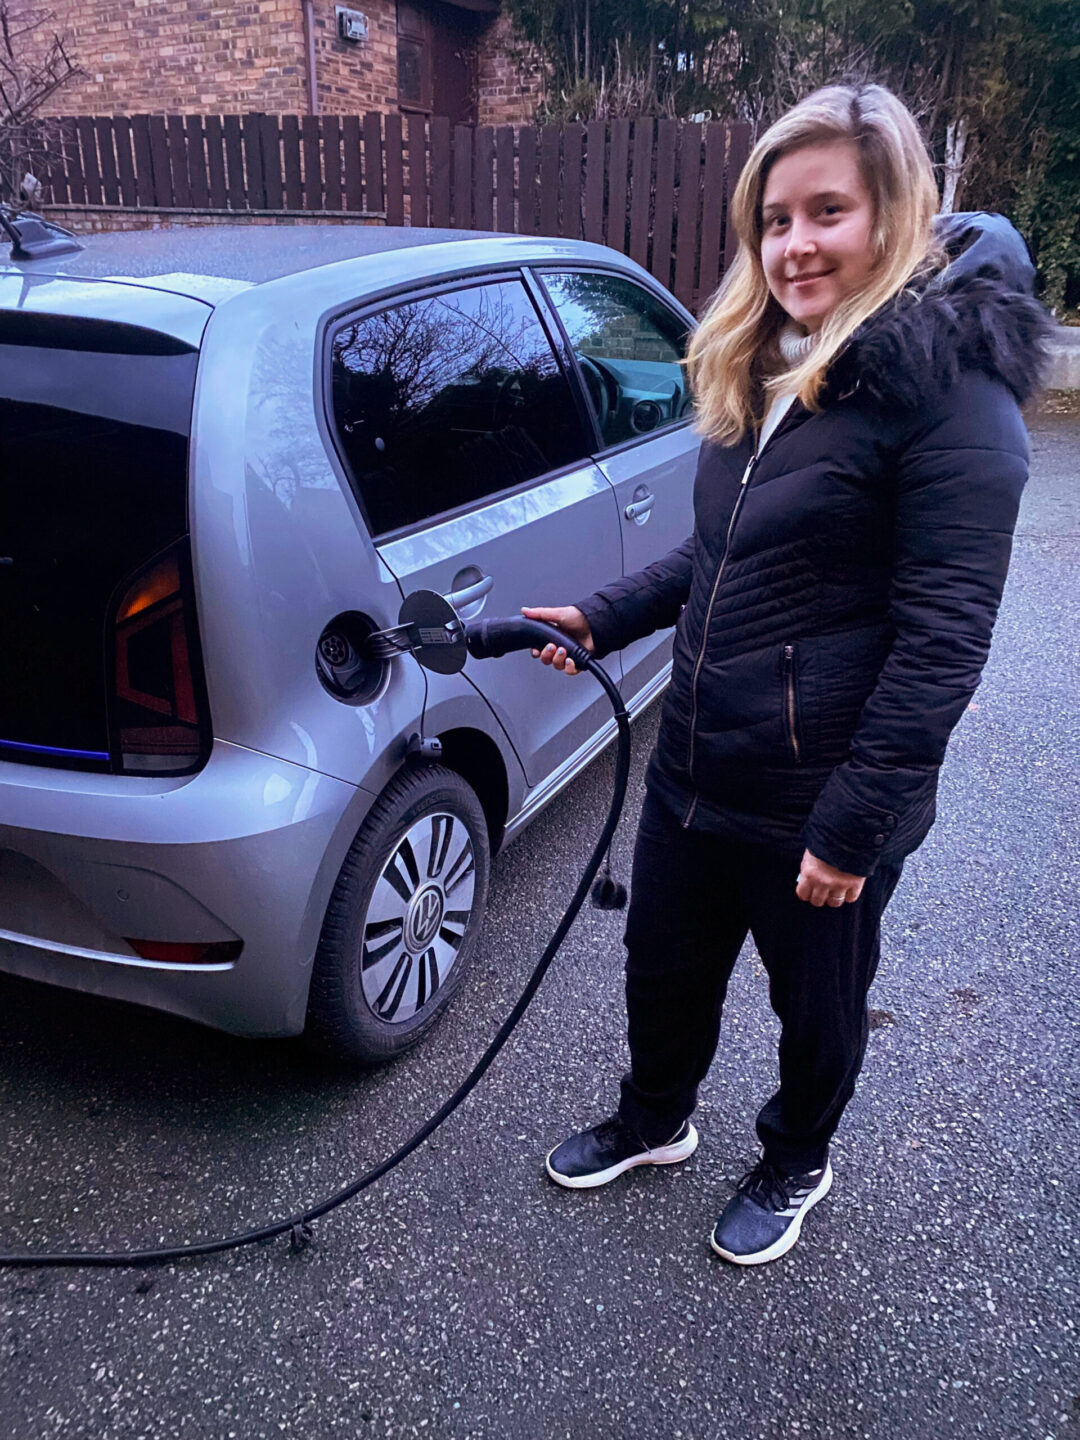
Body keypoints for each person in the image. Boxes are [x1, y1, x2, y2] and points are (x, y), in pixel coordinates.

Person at [524, 82, 1050, 1266]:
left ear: (897, 215)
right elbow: (723, 555)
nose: (796, 244)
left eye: (829, 212)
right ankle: (656, 1119)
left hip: (821, 802)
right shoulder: (765, 361)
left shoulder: (952, 401)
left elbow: (944, 643)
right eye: (775, 218)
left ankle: (795, 1158)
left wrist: (853, 828)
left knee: (813, 1011)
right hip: (699, 763)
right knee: (661, 967)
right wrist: (604, 617)